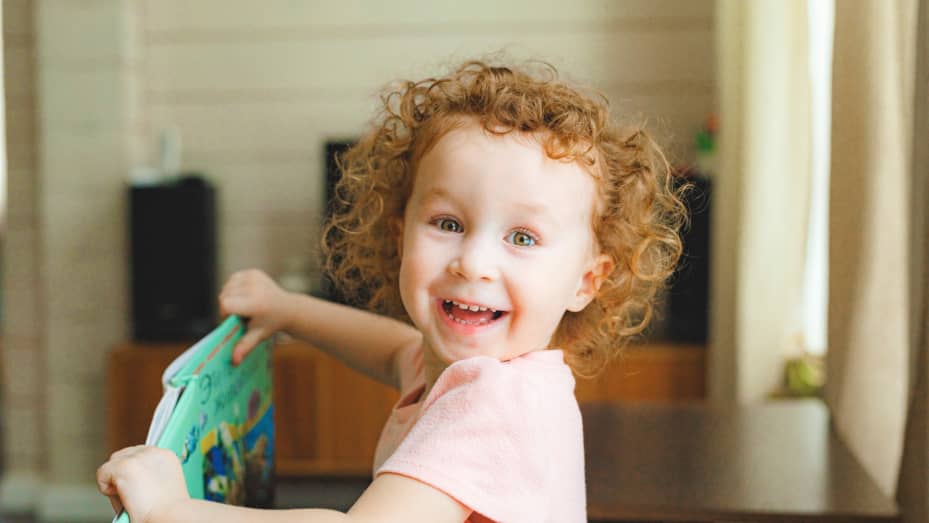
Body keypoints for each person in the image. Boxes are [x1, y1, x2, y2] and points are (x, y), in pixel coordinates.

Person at [97, 59, 686, 523]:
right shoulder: (477, 371)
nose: (474, 261)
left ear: (586, 280)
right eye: (448, 223)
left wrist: (170, 511)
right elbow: (393, 350)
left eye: (522, 237)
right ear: (400, 233)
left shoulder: (496, 405)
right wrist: (290, 311)